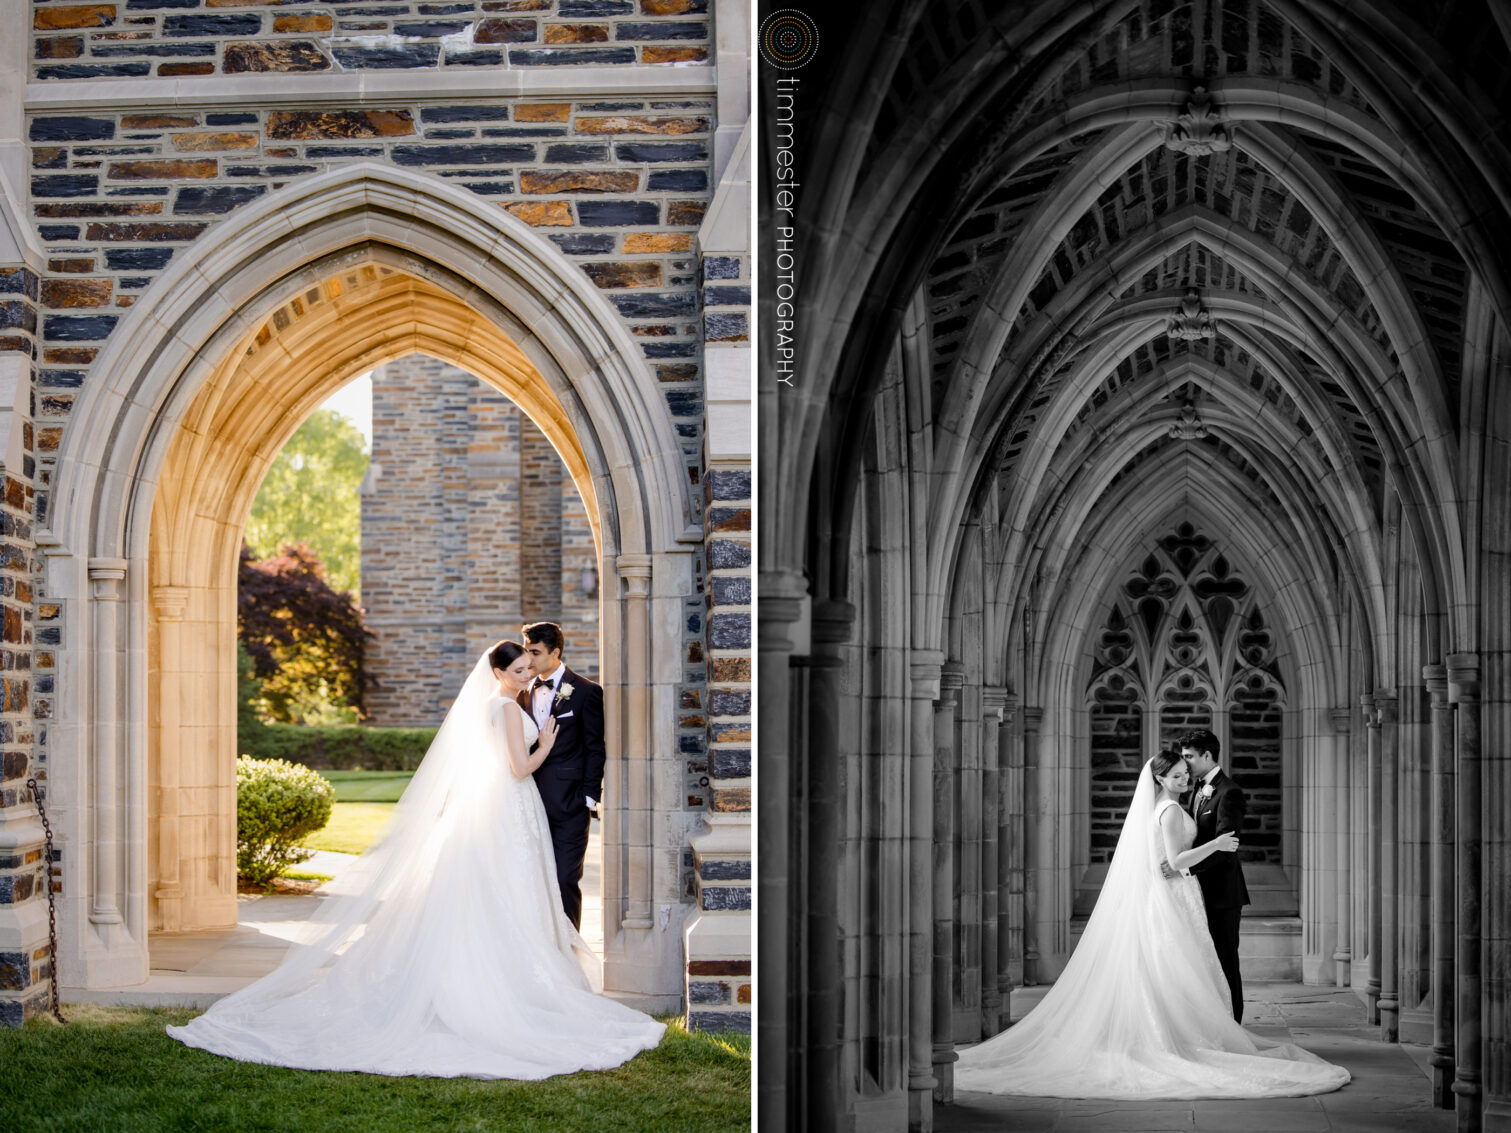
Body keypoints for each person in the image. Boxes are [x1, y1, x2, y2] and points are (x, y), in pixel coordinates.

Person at [166, 641, 664, 1078]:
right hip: (511, 805)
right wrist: (547, 744)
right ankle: (508, 984)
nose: (526, 676)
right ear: (497, 674)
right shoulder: (509, 709)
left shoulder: (497, 707)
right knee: (509, 891)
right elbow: (517, 769)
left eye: (526, 670)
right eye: (517, 671)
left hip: (497, 811)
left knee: (496, 892)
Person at [952, 750, 1349, 1099]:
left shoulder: (1163, 805)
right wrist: (1216, 844)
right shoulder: (1171, 809)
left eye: (1184, 773)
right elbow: (1176, 862)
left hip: (1174, 895)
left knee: (1172, 967)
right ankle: (1178, 1038)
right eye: (1176, 775)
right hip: (1174, 896)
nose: (1183, 779)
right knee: (1176, 965)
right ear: (1159, 778)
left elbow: (1167, 858)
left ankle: (1180, 1031)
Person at [519, 621, 605, 931]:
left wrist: (589, 796)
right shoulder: (521, 693)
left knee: (566, 878)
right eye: (526, 651)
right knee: (533, 880)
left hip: (570, 804)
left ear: (555, 652)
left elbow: (595, 747)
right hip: (526, 801)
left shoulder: (587, 692)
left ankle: (571, 947)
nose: (528, 659)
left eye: (535, 652)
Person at [1177, 727, 1249, 1021]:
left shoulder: (1229, 792)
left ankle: (1235, 1023)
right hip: (1199, 890)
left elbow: (1225, 847)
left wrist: (1185, 867)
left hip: (1222, 893)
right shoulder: (1196, 787)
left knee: (1225, 959)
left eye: (1190, 757)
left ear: (1207, 755)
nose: (1185, 764)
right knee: (1205, 961)